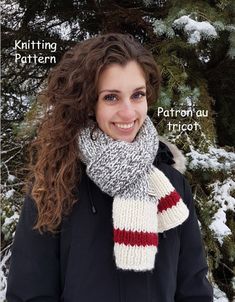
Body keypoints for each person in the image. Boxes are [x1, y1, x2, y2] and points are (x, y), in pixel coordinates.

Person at [6, 33, 213, 302]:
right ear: (88, 103)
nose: (128, 113)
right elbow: (30, 293)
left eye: (137, 95)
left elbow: (193, 289)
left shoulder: (171, 184)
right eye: (111, 98)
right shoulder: (56, 183)